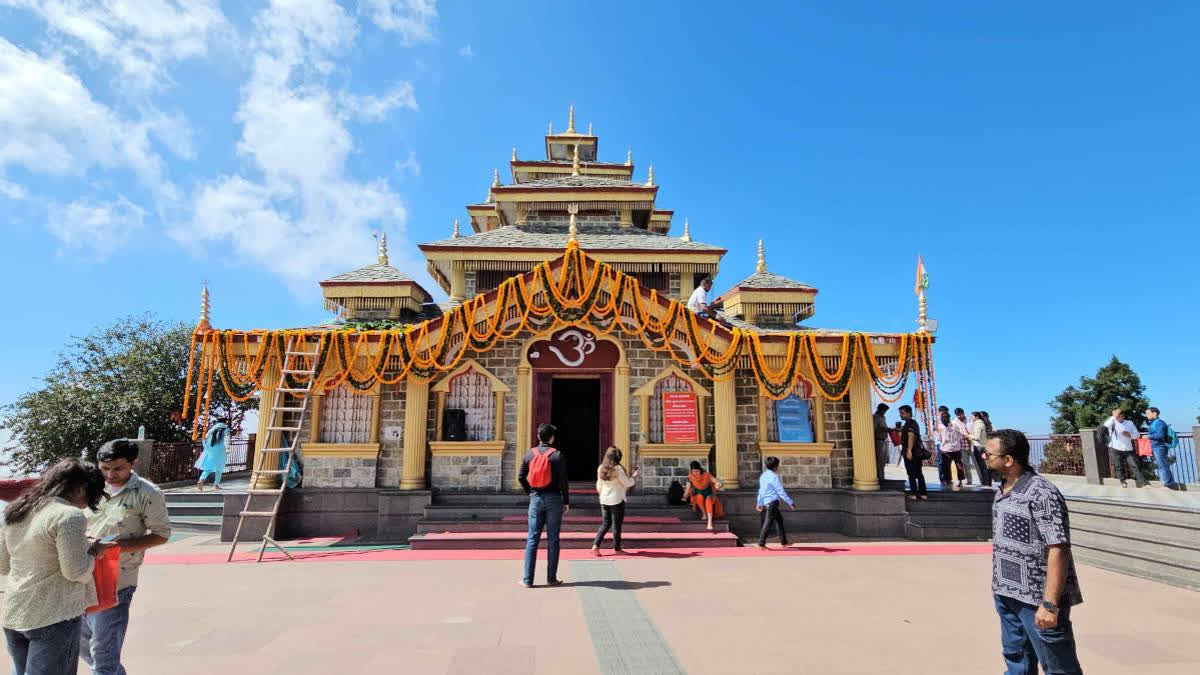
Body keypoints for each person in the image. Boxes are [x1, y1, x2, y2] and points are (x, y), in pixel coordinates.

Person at [983, 429, 1084, 674]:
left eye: (989, 454)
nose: (984, 457)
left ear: (1008, 460)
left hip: (1037, 598)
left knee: (1058, 667)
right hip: (1007, 592)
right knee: (1017, 659)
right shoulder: (1002, 489)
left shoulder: (1042, 493)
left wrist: (1049, 604)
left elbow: (1057, 547)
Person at [1, 459, 110, 675]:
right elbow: (76, 571)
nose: (86, 504)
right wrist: (94, 551)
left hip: (15, 613)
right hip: (54, 615)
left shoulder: (16, 510)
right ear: (81, 489)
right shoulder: (68, 515)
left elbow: (3, 565)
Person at [84, 438, 172, 675]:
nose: (110, 475)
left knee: (103, 652)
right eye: (105, 468)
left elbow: (161, 535)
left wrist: (116, 547)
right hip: (79, 576)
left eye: (118, 468)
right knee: (80, 641)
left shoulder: (147, 493)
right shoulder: (90, 486)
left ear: (133, 463)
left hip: (116, 580)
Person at [518, 423, 569, 588]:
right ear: (552, 438)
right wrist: (566, 501)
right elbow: (563, 482)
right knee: (553, 539)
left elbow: (520, 477)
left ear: (539, 437)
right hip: (554, 499)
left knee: (532, 539)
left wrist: (530, 493)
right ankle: (551, 578)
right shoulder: (557, 455)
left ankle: (527, 579)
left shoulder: (529, 455)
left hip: (536, 499)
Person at [591, 447, 638, 556]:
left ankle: (595, 545)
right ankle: (617, 548)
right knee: (617, 525)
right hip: (617, 499)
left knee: (605, 524)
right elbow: (627, 483)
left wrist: (602, 494)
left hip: (604, 499)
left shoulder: (601, 468)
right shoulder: (618, 469)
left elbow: (599, 485)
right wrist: (633, 477)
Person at [755, 456, 795, 549]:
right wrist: (790, 502)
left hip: (767, 502)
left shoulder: (763, 476)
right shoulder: (774, 477)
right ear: (776, 467)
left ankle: (784, 542)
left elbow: (761, 491)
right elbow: (781, 491)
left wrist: (759, 503)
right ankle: (761, 543)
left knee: (779, 520)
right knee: (768, 522)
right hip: (772, 502)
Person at [1103, 409, 1146, 488]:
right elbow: (1105, 425)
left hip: (1127, 448)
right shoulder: (1112, 422)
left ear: (1124, 416)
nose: (1120, 417)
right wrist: (1113, 416)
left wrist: (1129, 435)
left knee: (1134, 465)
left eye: (1121, 415)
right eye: (1118, 415)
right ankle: (1123, 481)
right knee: (1118, 466)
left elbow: (1137, 435)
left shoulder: (1129, 423)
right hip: (1115, 447)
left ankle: (1142, 483)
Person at [682, 461, 724, 530]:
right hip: (699, 493)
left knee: (708, 501)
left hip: (709, 493)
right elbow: (687, 489)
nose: (695, 473)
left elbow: (716, 481)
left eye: (697, 471)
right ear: (691, 471)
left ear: (700, 470)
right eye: (693, 471)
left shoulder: (706, 475)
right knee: (699, 497)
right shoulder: (690, 477)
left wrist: (718, 484)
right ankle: (704, 514)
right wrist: (685, 496)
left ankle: (709, 522)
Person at [898, 405, 927, 500]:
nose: (900, 415)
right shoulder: (912, 423)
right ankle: (923, 493)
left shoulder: (910, 423)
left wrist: (909, 451)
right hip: (917, 452)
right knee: (919, 473)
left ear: (908, 413)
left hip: (912, 451)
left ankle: (914, 493)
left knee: (911, 473)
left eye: (902, 413)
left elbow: (911, 436)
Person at [1144, 407, 1176, 489]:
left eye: (1148, 413)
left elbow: (1160, 435)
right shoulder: (1155, 422)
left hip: (1159, 446)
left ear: (1154, 413)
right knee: (1163, 465)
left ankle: (1168, 484)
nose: (1146, 415)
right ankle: (1169, 483)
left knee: (1163, 465)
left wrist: (1148, 436)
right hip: (1157, 446)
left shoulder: (1159, 423)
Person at [195, 420, 229, 490]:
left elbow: (204, 438)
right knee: (219, 469)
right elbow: (227, 440)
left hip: (211, 450)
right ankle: (216, 485)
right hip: (220, 451)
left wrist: (206, 447)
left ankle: (201, 480)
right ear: (225, 422)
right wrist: (227, 448)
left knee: (208, 468)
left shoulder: (212, 429)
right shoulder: (226, 429)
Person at [937, 411, 967, 488]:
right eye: (942, 418)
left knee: (958, 466)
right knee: (946, 466)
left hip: (954, 448)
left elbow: (960, 435)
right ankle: (948, 480)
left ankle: (959, 481)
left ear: (948, 418)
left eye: (945, 418)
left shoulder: (954, 425)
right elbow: (939, 438)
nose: (943, 419)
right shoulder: (940, 427)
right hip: (946, 449)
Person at [953, 408, 980, 485]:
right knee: (965, 464)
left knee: (976, 463)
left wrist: (969, 436)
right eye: (957, 415)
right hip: (962, 446)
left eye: (960, 414)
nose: (959, 416)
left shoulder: (970, 420)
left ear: (963, 413)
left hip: (972, 444)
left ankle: (982, 480)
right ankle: (969, 480)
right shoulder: (954, 422)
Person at [969, 411, 993, 487]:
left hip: (979, 446)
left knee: (982, 466)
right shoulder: (985, 424)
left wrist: (969, 436)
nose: (970, 417)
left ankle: (985, 483)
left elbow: (977, 437)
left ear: (976, 416)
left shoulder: (978, 424)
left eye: (972, 416)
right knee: (985, 465)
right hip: (984, 446)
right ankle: (987, 482)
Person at [873, 403, 891, 482]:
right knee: (879, 459)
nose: (885, 412)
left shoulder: (883, 418)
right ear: (881, 410)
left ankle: (882, 476)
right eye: (884, 410)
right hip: (878, 440)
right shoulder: (876, 417)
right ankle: (880, 477)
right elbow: (874, 428)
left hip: (883, 440)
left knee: (883, 460)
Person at [935, 405, 952, 484]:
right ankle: (942, 478)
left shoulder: (948, 420)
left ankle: (948, 478)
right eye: (945, 411)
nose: (946, 413)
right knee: (941, 461)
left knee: (947, 461)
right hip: (940, 443)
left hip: (948, 443)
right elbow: (937, 433)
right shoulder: (937, 421)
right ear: (941, 412)